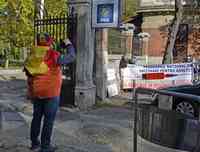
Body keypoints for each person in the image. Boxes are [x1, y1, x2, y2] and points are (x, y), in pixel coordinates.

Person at [24, 33, 75, 152]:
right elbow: (72, 57)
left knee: (36, 118)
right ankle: (45, 147)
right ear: (49, 42)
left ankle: (35, 144)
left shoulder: (32, 55)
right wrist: (68, 44)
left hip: (37, 92)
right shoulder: (53, 55)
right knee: (48, 120)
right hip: (51, 93)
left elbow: (27, 73)